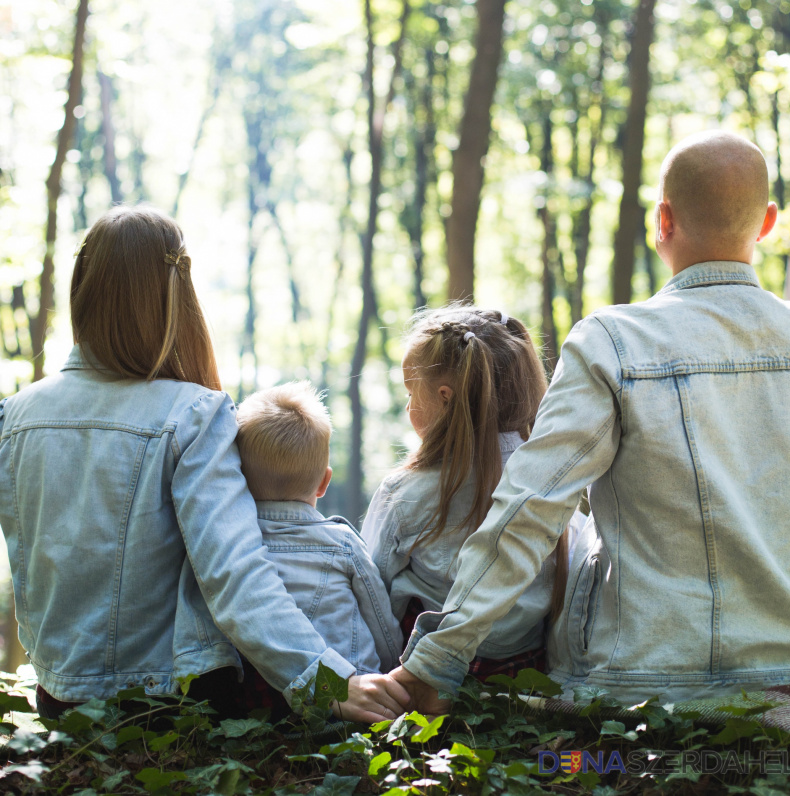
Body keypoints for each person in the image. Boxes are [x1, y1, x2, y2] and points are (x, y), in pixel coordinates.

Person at [391, 131, 790, 711]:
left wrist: (438, 659)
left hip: (635, 687)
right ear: (768, 222)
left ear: (663, 220)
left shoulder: (613, 342)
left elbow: (530, 508)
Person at [0, 205, 409, 723]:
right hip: (167, 705)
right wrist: (328, 681)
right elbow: (235, 573)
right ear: (175, 296)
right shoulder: (193, 413)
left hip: (59, 701)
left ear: (83, 286)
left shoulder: (14, 416)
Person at [362, 305, 587, 679]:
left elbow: (372, 592)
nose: (407, 406)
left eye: (411, 393)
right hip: (525, 677)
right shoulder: (554, 487)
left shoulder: (404, 492)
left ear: (445, 397)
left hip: (421, 676)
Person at [235, 381, 402, 676]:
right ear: (324, 483)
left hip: (262, 696)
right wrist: (391, 669)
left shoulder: (230, 546)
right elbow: (381, 624)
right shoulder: (342, 544)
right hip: (352, 690)